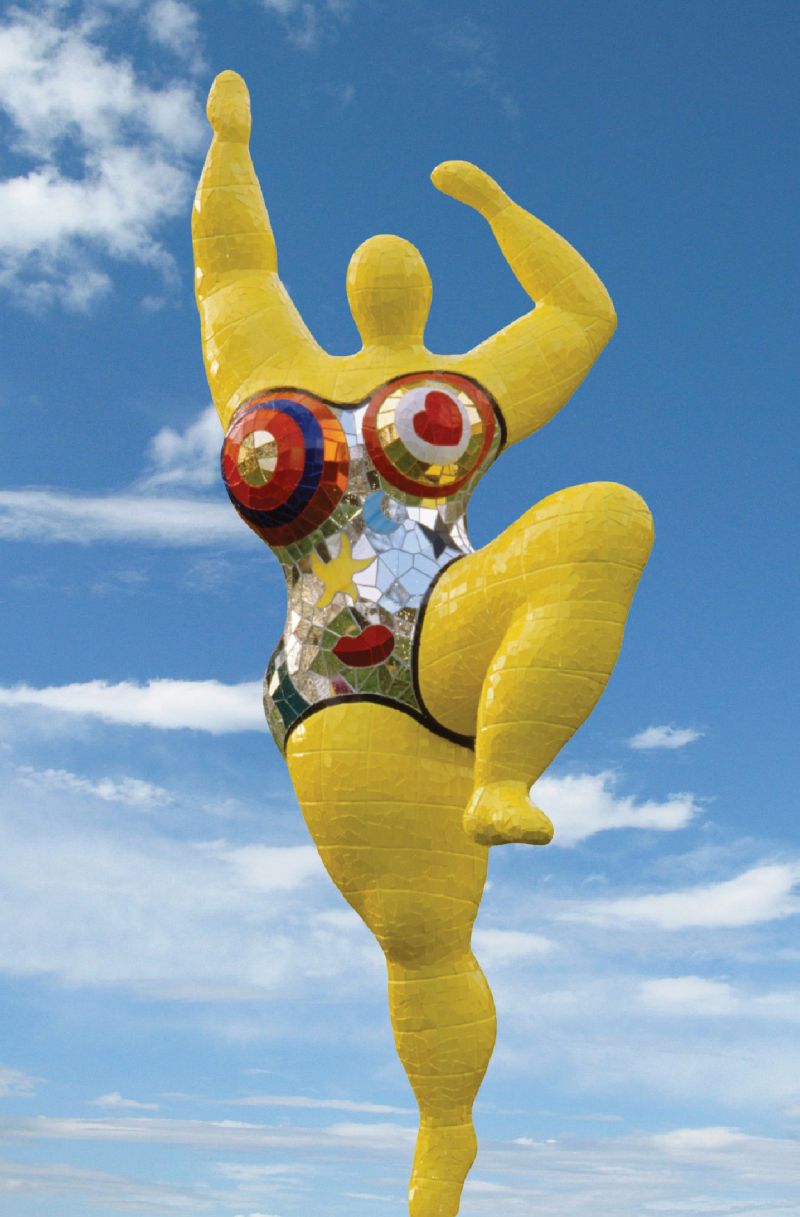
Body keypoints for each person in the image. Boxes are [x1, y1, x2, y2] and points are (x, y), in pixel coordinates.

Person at [193, 70, 653, 1217]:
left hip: (448, 620)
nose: (381, 265)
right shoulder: (268, 370)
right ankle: (443, 1129)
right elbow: (232, 267)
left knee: (600, 521)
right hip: (326, 682)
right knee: (418, 938)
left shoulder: (465, 385)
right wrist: (228, 144)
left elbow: (580, 316)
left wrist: (499, 210)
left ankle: (504, 772)